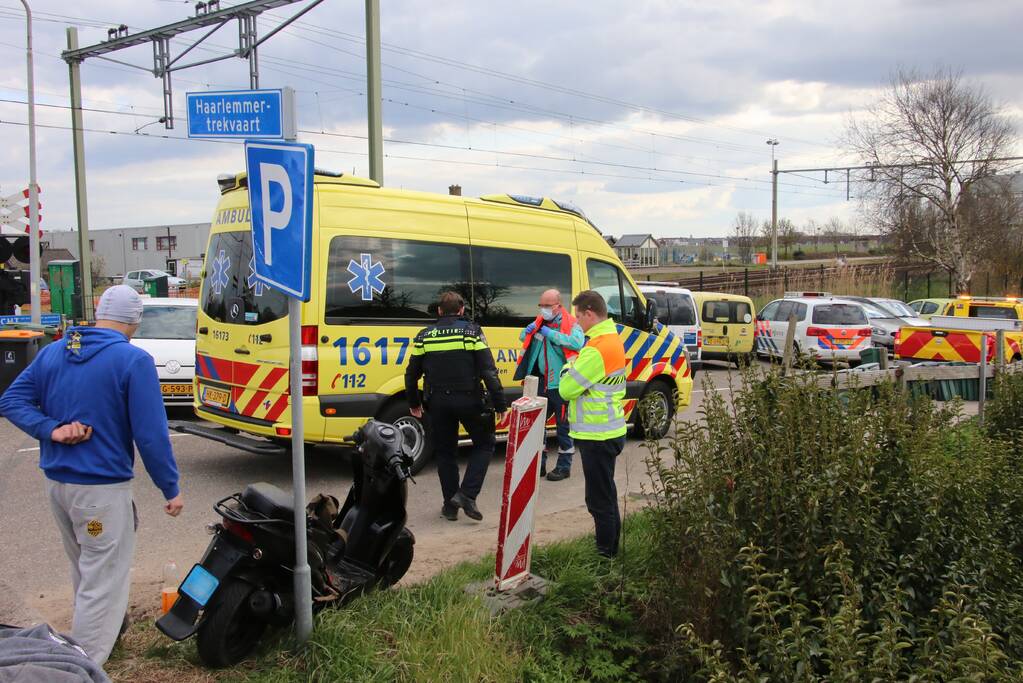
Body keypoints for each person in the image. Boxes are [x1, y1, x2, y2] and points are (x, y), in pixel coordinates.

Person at [0, 285, 183, 665]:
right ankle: (81, 667)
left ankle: (101, 640)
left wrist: (51, 429)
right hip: (99, 494)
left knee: (86, 566)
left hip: (59, 488)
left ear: (99, 313)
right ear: (135, 321)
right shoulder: (132, 361)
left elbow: (11, 400)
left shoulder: (54, 352)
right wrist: (171, 488)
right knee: (103, 579)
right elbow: (151, 436)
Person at [404, 291, 507, 522]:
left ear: (439, 311)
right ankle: (467, 495)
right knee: (485, 444)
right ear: (461, 310)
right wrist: (500, 403)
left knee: (445, 453)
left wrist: (414, 403)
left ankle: (450, 506)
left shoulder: (424, 336)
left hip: (438, 403)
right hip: (469, 400)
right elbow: (488, 371)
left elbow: (411, 374)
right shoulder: (472, 332)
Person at [558, 290, 627, 558]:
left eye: (578, 316)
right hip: (608, 430)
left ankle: (605, 556)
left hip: (598, 434)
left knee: (599, 501)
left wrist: (568, 368)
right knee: (606, 496)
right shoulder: (610, 340)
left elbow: (565, 389)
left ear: (589, 313)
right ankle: (611, 551)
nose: (576, 322)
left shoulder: (596, 349)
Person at [516, 288, 585, 481]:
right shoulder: (540, 322)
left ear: (558, 305)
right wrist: (527, 332)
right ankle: (540, 464)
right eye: (541, 305)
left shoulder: (570, 323)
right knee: (538, 427)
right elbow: (525, 338)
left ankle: (564, 467)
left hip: (561, 384)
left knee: (564, 427)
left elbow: (577, 343)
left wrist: (551, 334)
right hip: (540, 382)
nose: (543, 309)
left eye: (547, 306)